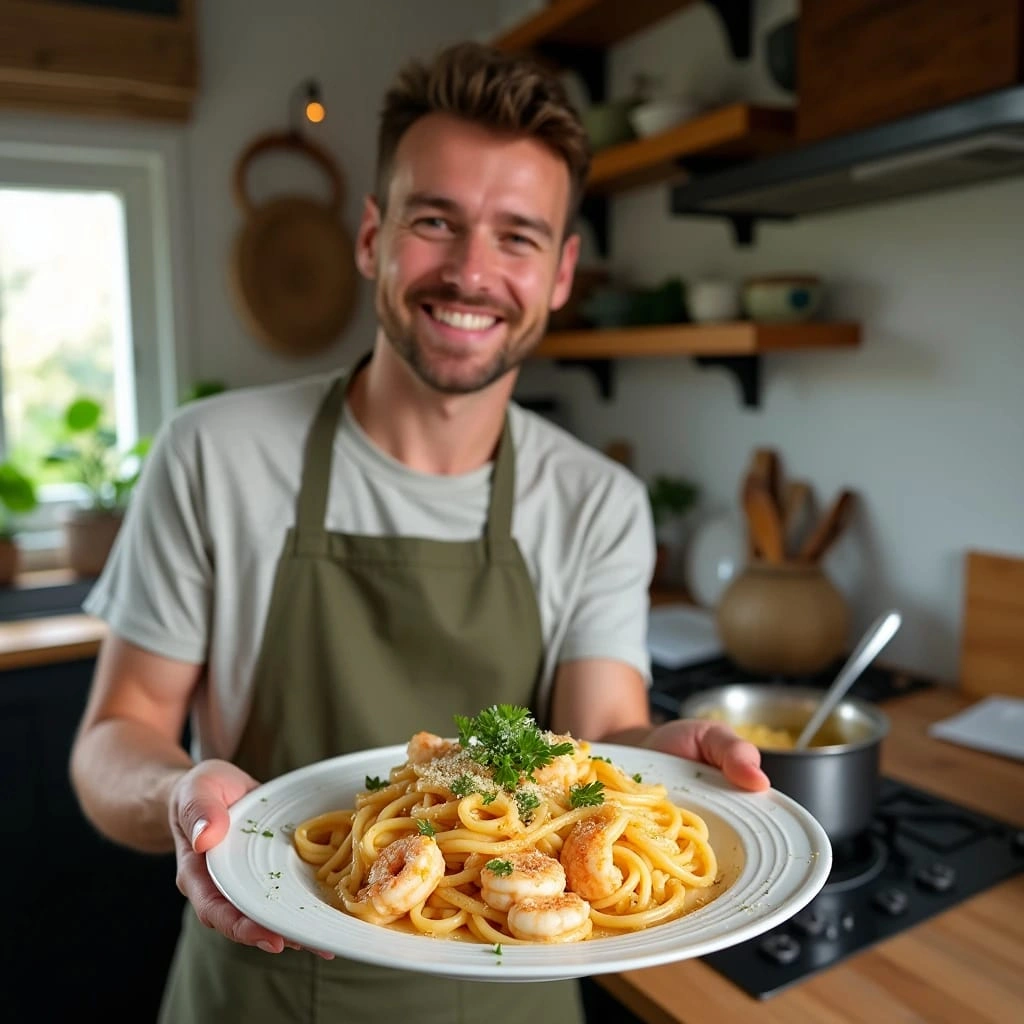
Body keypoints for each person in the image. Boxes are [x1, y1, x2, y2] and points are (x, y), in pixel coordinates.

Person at [69, 39, 769, 1024]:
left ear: (562, 273)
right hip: (259, 986)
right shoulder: (211, 452)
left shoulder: (598, 501)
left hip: (510, 998)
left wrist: (672, 756)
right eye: (436, 221)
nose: (472, 272)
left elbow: (605, 731)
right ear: (371, 237)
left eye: (518, 236)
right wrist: (183, 795)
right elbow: (112, 738)